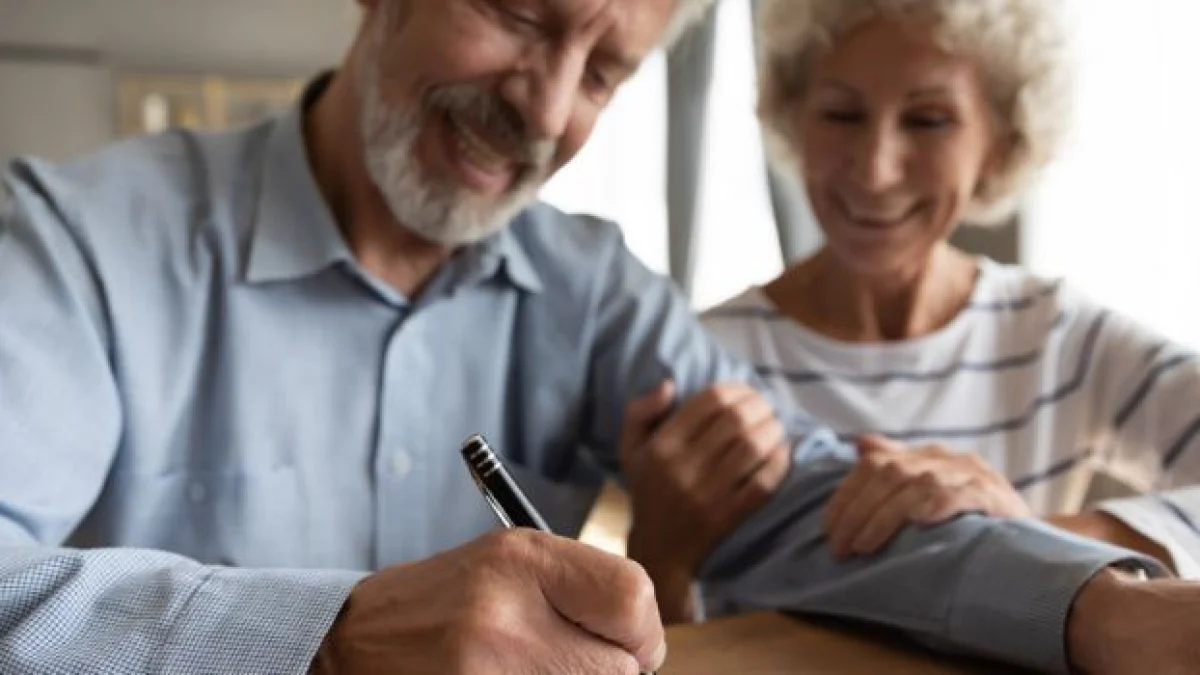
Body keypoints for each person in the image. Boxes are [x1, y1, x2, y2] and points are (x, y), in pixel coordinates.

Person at [1, 0, 1198, 673]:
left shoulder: (593, 287)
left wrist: (1105, 610)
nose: (543, 107)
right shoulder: (71, 244)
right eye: (519, 12)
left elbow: (809, 506)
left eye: (604, 73)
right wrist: (329, 636)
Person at [702, 0, 1200, 577]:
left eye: (928, 120)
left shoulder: (1057, 336)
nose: (875, 171)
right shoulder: (706, 357)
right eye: (842, 115)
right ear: (795, 118)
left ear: (999, 143)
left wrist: (1026, 540)